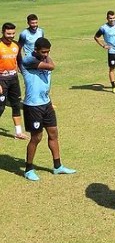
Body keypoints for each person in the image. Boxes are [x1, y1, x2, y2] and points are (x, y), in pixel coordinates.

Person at [20, 37, 76, 181]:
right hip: (33, 106)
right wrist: (47, 58)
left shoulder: (43, 59)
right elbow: (52, 66)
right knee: (36, 137)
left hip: (46, 103)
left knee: (53, 134)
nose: (46, 54)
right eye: (43, 52)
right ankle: (28, 169)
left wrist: (49, 101)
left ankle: (57, 166)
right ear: (35, 50)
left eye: (48, 52)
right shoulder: (28, 60)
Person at [0, 22, 28, 140]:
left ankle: (18, 132)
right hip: (1, 79)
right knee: (1, 107)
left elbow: (19, 61)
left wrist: (25, 73)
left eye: (13, 33)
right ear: (2, 32)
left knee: (16, 105)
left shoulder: (16, 45)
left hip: (13, 79)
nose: (11, 36)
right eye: (8, 33)